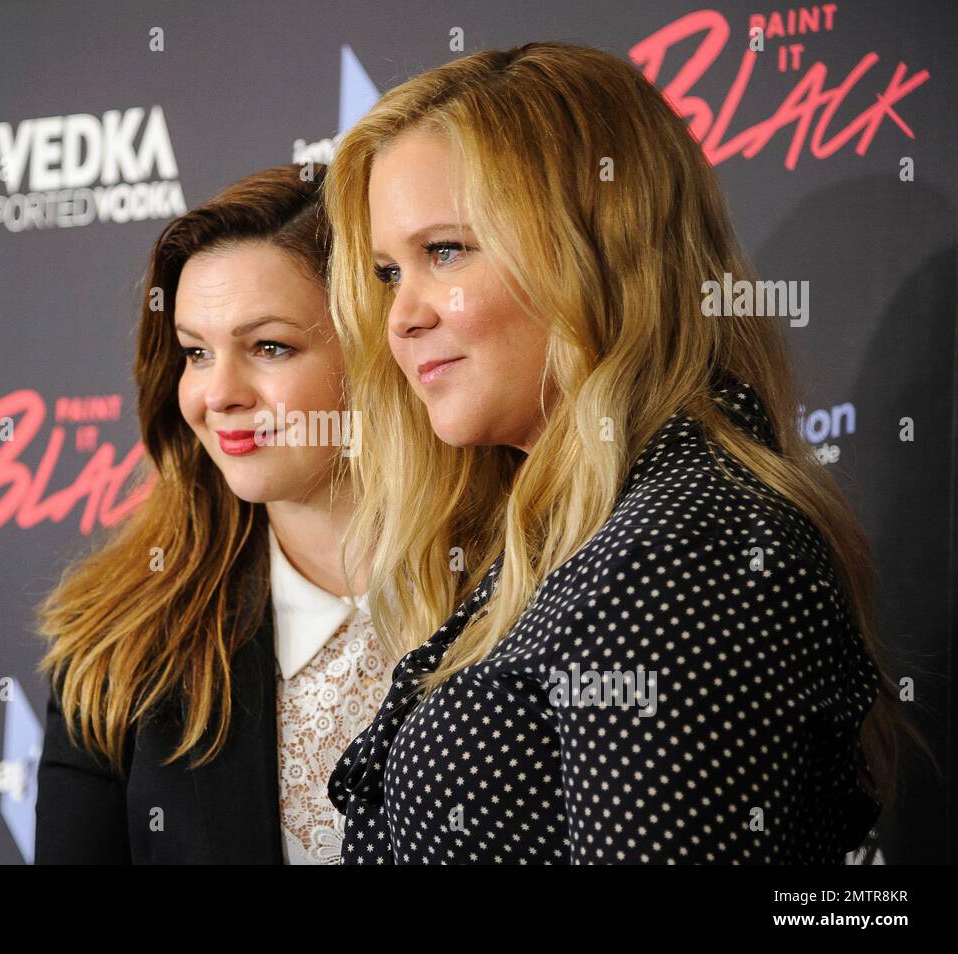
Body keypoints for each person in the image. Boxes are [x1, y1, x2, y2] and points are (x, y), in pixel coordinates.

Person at [322, 42, 920, 863]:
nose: (402, 316)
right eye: (390, 272)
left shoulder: (682, 553)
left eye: (447, 252)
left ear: (600, 248)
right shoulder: (576, 535)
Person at [33, 164, 390, 863]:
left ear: (377, 348)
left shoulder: (527, 595)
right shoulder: (115, 647)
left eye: (269, 347)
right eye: (196, 353)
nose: (217, 393)